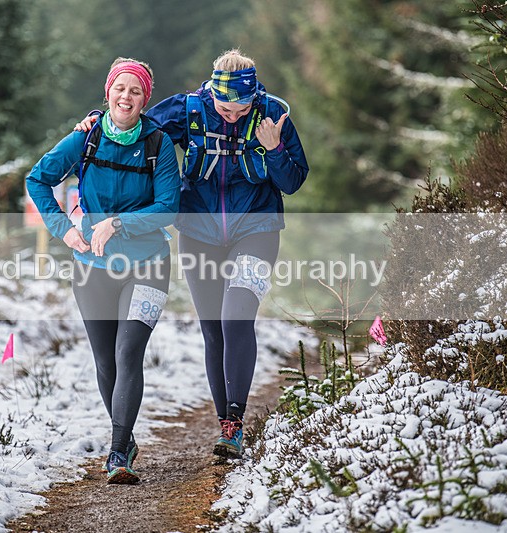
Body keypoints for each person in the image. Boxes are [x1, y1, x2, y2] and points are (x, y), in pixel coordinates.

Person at [76, 49, 309, 459]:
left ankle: (235, 421)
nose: (232, 115)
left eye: (240, 107)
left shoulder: (271, 114)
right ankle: (225, 424)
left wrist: (273, 149)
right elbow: (132, 121)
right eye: (225, 107)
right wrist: (97, 119)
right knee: (213, 330)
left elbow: (293, 181)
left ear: (254, 96)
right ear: (212, 94)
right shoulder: (189, 109)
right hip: (198, 232)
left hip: (257, 228)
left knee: (235, 317)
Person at [27, 58, 181, 484]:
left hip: (149, 263)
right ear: (108, 92)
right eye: (120, 89)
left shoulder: (159, 144)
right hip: (91, 266)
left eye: (135, 91)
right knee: (105, 361)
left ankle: (117, 453)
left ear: (144, 99)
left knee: (128, 351)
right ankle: (126, 438)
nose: (126, 97)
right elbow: (37, 179)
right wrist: (62, 230)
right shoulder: (86, 138)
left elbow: (168, 208)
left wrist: (118, 222)